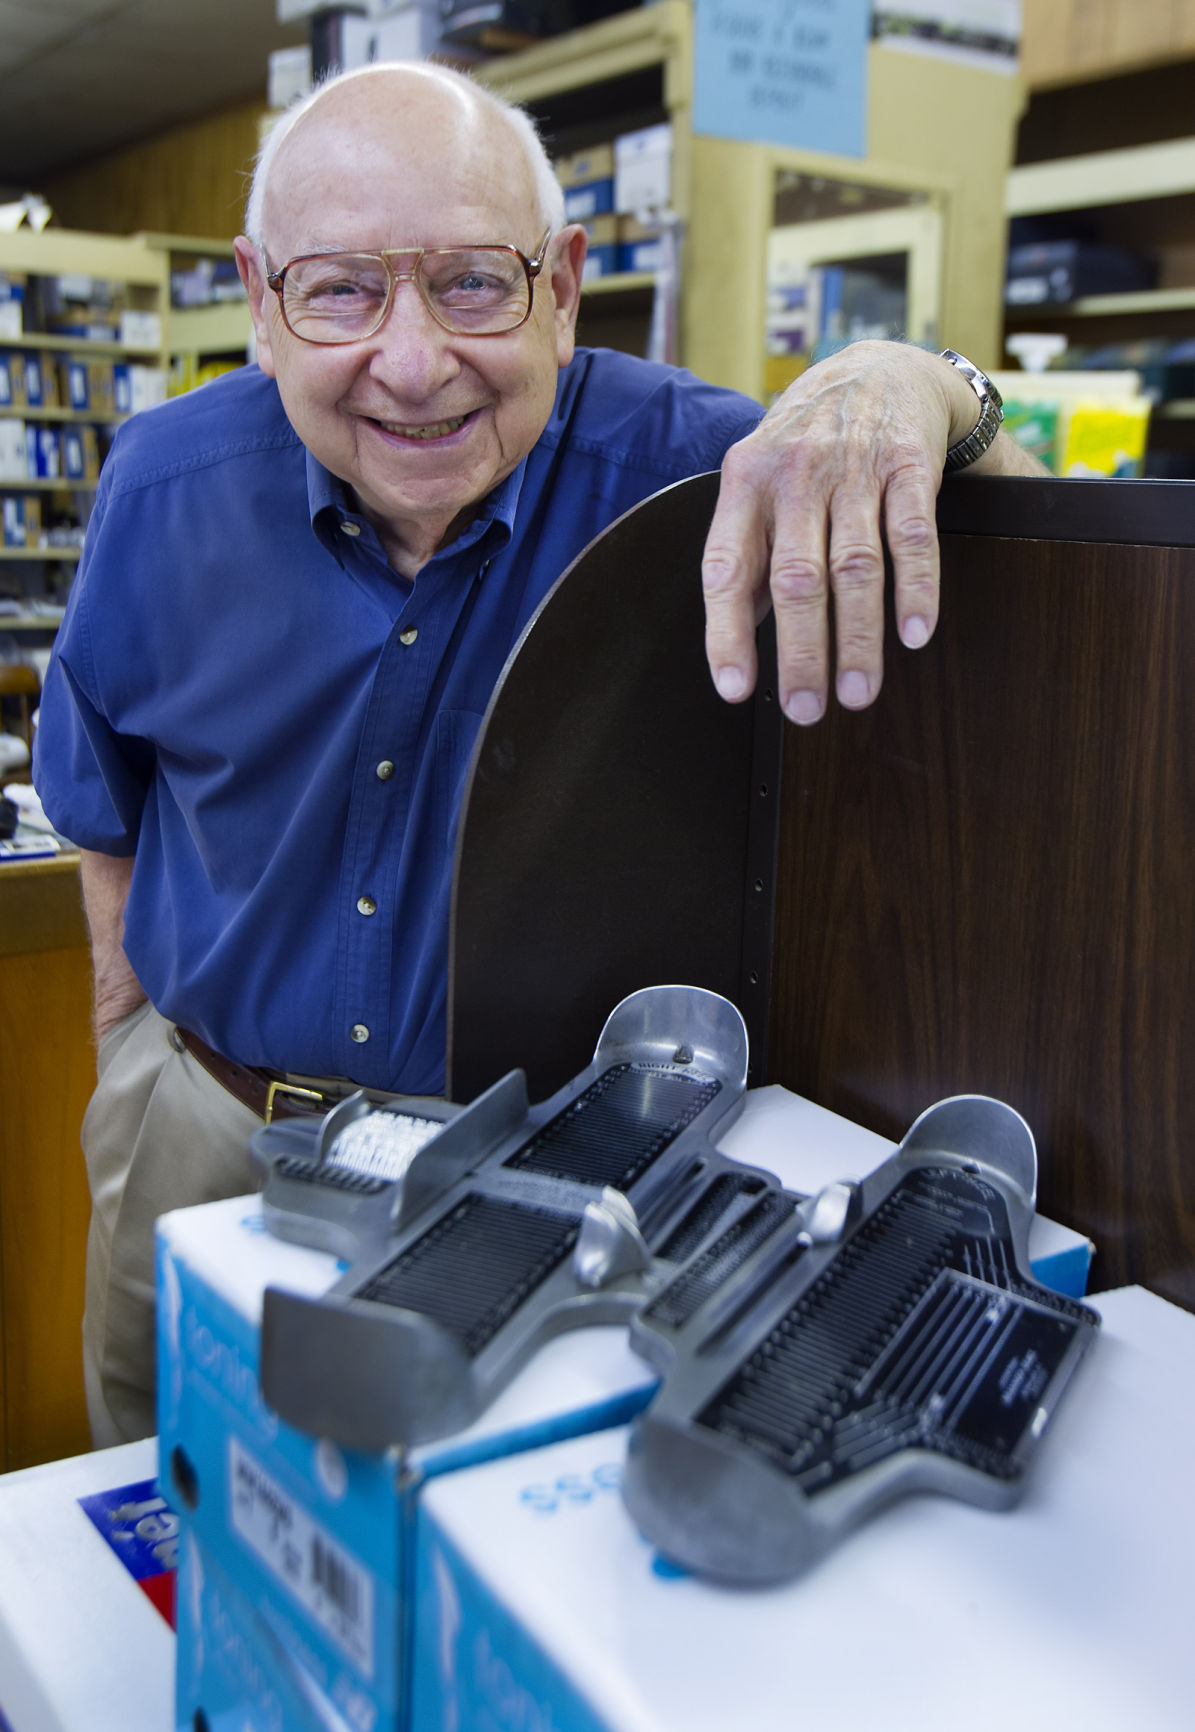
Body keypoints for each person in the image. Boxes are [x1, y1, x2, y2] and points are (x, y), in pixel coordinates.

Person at [32, 60, 1045, 1448]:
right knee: (160, 1507)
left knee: (482, 1563)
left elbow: (1026, 548)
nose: (410, 361)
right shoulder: (161, 486)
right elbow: (104, 805)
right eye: (337, 289)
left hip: (543, 1185)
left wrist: (909, 379)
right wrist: (137, 1065)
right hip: (206, 1131)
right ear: (260, 302)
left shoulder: (693, 476)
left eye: (470, 284)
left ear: (563, 286)